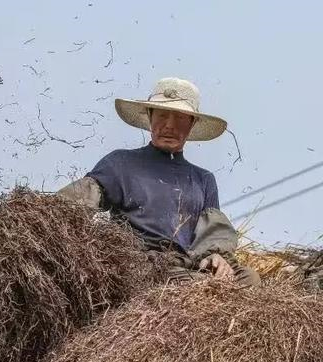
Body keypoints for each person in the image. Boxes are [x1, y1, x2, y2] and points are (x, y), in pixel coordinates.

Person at [58, 77, 260, 286]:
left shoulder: (203, 179)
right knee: (200, 286)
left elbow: (212, 233)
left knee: (248, 278)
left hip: (186, 265)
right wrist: (51, 215)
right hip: (140, 263)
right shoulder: (121, 163)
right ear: (149, 116)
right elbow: (77, 200)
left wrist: (217, 256)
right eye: (162, 115)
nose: (170, 126)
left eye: (180, 118)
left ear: (192, 124)